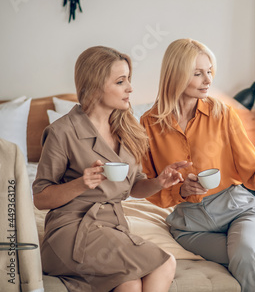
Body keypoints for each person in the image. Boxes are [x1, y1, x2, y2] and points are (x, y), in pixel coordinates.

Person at [140, 38, 255, 292]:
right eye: (198, 74)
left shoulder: (223, 114)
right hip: (190, 226)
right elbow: (150, 187)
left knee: (247, 255)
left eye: (209, 71)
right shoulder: (148, 124)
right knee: (243, 257)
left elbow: (252, 170)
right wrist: (182, 191)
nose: (208, 80)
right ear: (175, 75)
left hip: (238, 209)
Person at [32, 46, 191, 292]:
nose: (130, 88)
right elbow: (41, 199)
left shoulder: (128, 129)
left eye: (128, 79)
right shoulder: (62, 132)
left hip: (112, 229)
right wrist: (82, 183)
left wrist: (158, 182)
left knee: (129, 285)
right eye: (120, 81)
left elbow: (133, 187)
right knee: (164, 263)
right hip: (71, 230)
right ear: (95, 85)